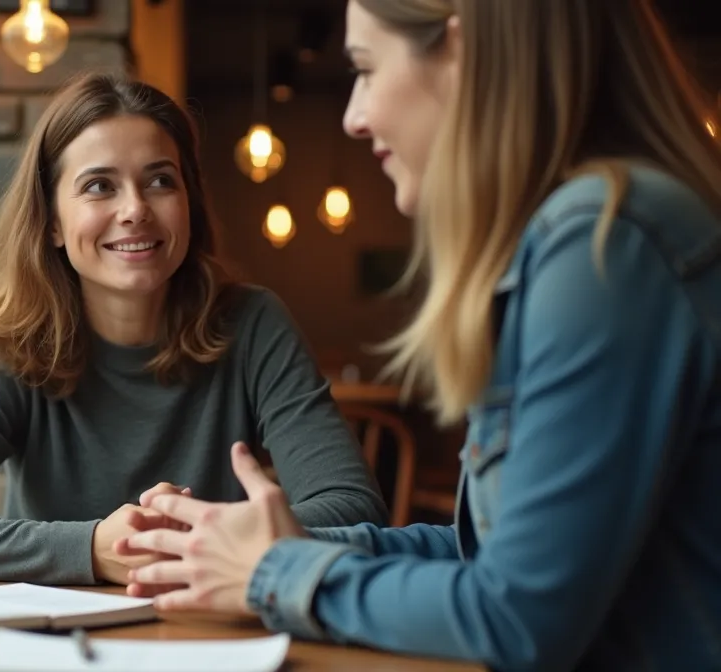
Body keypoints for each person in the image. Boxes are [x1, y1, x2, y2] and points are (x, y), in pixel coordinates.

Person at [117, 0, 721, 669]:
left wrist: (274, 571)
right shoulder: (594, 231)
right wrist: (271, 547)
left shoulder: (605, 243)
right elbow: (483, 559)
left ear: (461, 55)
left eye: (366, 70)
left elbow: (518, 617)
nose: (353, 114)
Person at [0, 72, 388, 587]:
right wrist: (95, 548)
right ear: (52, 221)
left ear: (188, 204)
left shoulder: (252, 324)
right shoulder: (16, 343)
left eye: (161, 180)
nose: (136, 209)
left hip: (212, 631)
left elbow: (355, 511)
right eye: (99, 186)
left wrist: (203, 536)